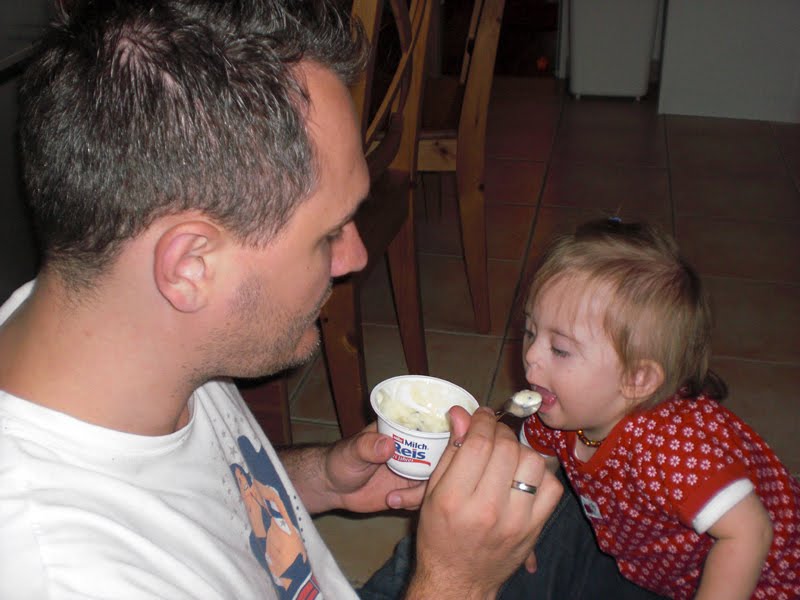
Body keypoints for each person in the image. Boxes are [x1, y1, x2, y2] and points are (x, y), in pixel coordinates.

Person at [0, 1, 562, 598]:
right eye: (329, 234)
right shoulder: (63, 572)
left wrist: (322, 479)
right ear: (191, 265)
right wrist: (455, 580)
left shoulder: (121, 331)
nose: (355, 257)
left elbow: (188, 494)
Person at [511, 218, 800, 599]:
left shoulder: (672, 450)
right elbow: (535, 460)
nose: (531, 355)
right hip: (665, 565)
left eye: (560, 349)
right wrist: (521, 528)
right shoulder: (560, 408)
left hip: (766, 579)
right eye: (530, 331)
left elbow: (750, 533)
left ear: (637, 379)